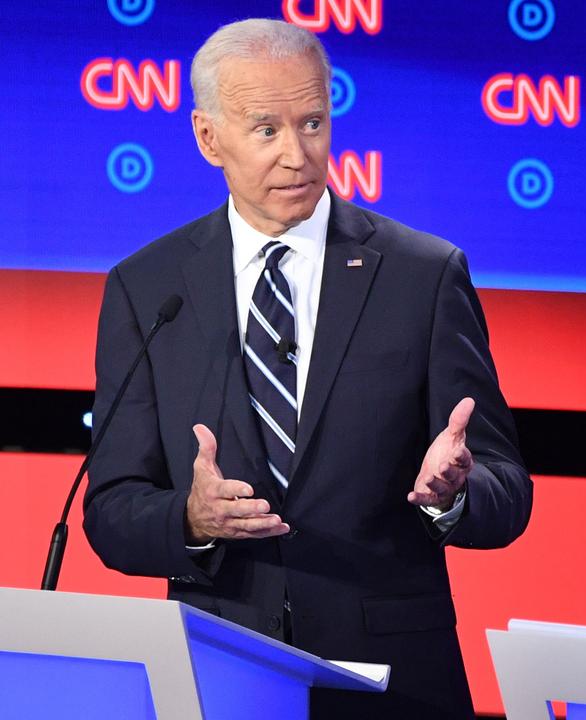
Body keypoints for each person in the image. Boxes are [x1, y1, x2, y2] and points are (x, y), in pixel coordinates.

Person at [83, 19, 532, 719]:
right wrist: (191, 517)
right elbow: (110, 512)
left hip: (396, 681)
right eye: (266, 130)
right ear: (209, 138)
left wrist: (454, 494)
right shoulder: (148, 287)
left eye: (314, 122)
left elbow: (509, 492)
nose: (297, 154)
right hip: (218, 671)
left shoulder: (424, 275)